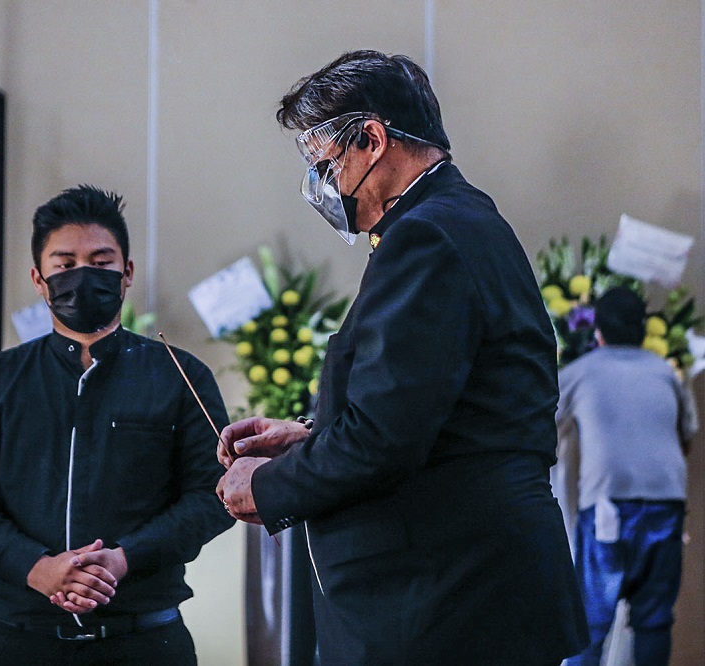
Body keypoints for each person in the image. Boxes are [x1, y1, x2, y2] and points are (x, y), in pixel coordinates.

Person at [216, 50, 589, 665]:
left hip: (449, 597)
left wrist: (270, 484)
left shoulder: (425, 236)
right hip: (475, 586)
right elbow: (436, 404)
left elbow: (386, 439)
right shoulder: (461, 218)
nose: (326, 187)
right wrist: (306, 433)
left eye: (326, 163)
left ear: (371, 138)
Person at [0, 185, 234, 665]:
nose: (83, 277)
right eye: (64, 264)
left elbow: (215, 496)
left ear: (126, 272)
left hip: (145, 641)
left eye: (100, 262)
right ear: (39, 278)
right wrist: (36, 568)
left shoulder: (180, 376)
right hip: (16, 638)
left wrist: (125, 559)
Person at [558, 286, 697, 666]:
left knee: (589, 624)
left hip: (607, 509)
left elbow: (541, 426)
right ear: (643, 328)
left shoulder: (580, 372)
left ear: (596, 332)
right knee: (654, 622)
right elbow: (686, 436)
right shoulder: (665, 373)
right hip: (666, 505)